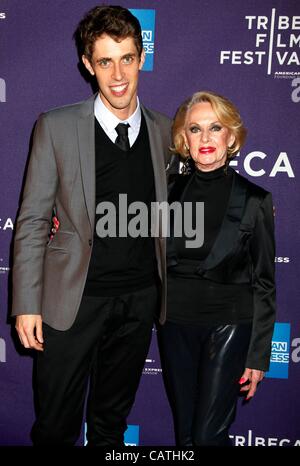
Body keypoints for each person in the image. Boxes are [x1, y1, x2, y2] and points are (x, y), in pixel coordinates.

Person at [11, 5, 173, 446]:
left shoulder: (164, 132)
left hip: (139, 302)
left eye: (126, 58)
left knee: (110, 426)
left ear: (142, 57)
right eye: (105, 61)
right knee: (55, 425)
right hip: (70, 303)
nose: (117, 74)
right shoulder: (56, 126)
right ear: (88, 64)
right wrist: (27, 302)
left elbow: (189, 203)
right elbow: (31, 220)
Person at [159, 91, 276, 446]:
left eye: (215, 128)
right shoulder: (164, 192)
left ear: (231, 137)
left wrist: (258, 356)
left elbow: (265, 283)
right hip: (174, 323)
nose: (205, 138)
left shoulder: (255, 200)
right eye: (195, 129)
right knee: (186, 433)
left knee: (209, 435)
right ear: (184, 139)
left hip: (228, 325)